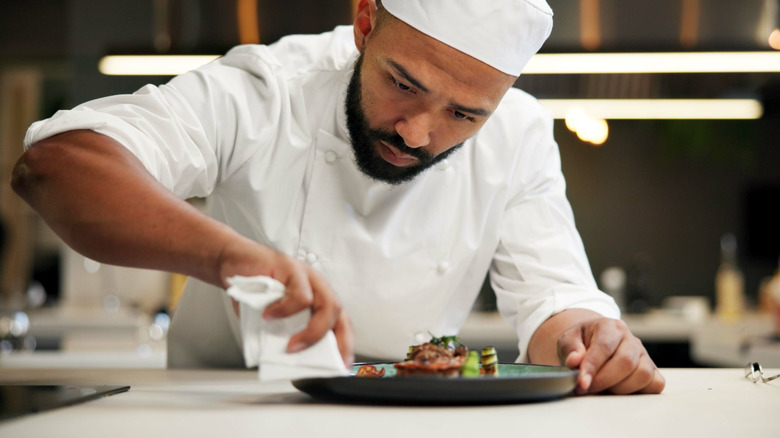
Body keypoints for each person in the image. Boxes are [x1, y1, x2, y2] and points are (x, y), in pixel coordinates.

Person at [11, 0, 664, 394]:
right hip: (219, 412)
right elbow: (56, 166)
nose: (417, 132)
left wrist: (590, 342)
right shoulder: (267, 91)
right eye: (403, 83)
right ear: (364, 21)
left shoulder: (519, 133)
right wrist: (233, 258)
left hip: (418, 419)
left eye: (464, 115)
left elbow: (555, 303)